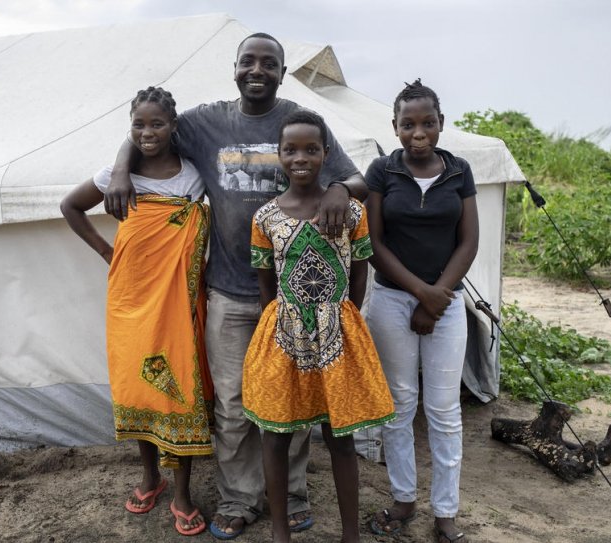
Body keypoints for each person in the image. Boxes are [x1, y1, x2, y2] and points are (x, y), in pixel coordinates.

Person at [103, 33, 367, 540]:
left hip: (295, 300)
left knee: (292, 400)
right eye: (248, 61)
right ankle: (239, 498)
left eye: (269, 63)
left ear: (283, 72)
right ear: (234, 67)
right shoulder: (206, 121)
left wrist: (337, 187)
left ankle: (289, 496)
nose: (257, 70)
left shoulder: (299, 120)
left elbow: (354, 178)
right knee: (232, 402)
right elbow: (147, 132)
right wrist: (119, 170)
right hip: (227, 292)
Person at [60, 86, 213, 536]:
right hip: (130, 299)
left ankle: (182, 492)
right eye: (138, 125)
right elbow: (70, 206)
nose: (147, 132)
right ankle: (150, 476)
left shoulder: (194, 175)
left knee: (180, 385)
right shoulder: (114, 176)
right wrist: (109, 254)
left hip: (179, 297)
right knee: (137, 388)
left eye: (157, 124)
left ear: (174, 127)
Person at [242, 110, 395, 543]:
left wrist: (341, 317)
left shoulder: (350, 211)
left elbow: (360, 273)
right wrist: (282, 328)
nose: (301, 157)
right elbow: (266, 286)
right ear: (279, 155)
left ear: (327, 153)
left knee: (340, 435)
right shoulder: (265, 218)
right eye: (290, 150)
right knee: (275, 434)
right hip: (283, 334)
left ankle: (350, 534)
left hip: (337, 331)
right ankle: (280, 533)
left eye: (312, 149)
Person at [364, 80, 479, 543]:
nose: (419, 132)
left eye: (427, 122)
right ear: (394, 127)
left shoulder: (459, 170)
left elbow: (469, 241)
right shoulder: (381, 172)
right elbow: (373, 243)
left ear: (441, 124)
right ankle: (404, 498)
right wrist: (418, 293)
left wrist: (437, 297)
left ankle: (446, 511)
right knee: (399, 405)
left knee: (444, 410)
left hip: (447, 303)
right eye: (408, 124)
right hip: (392, 299)